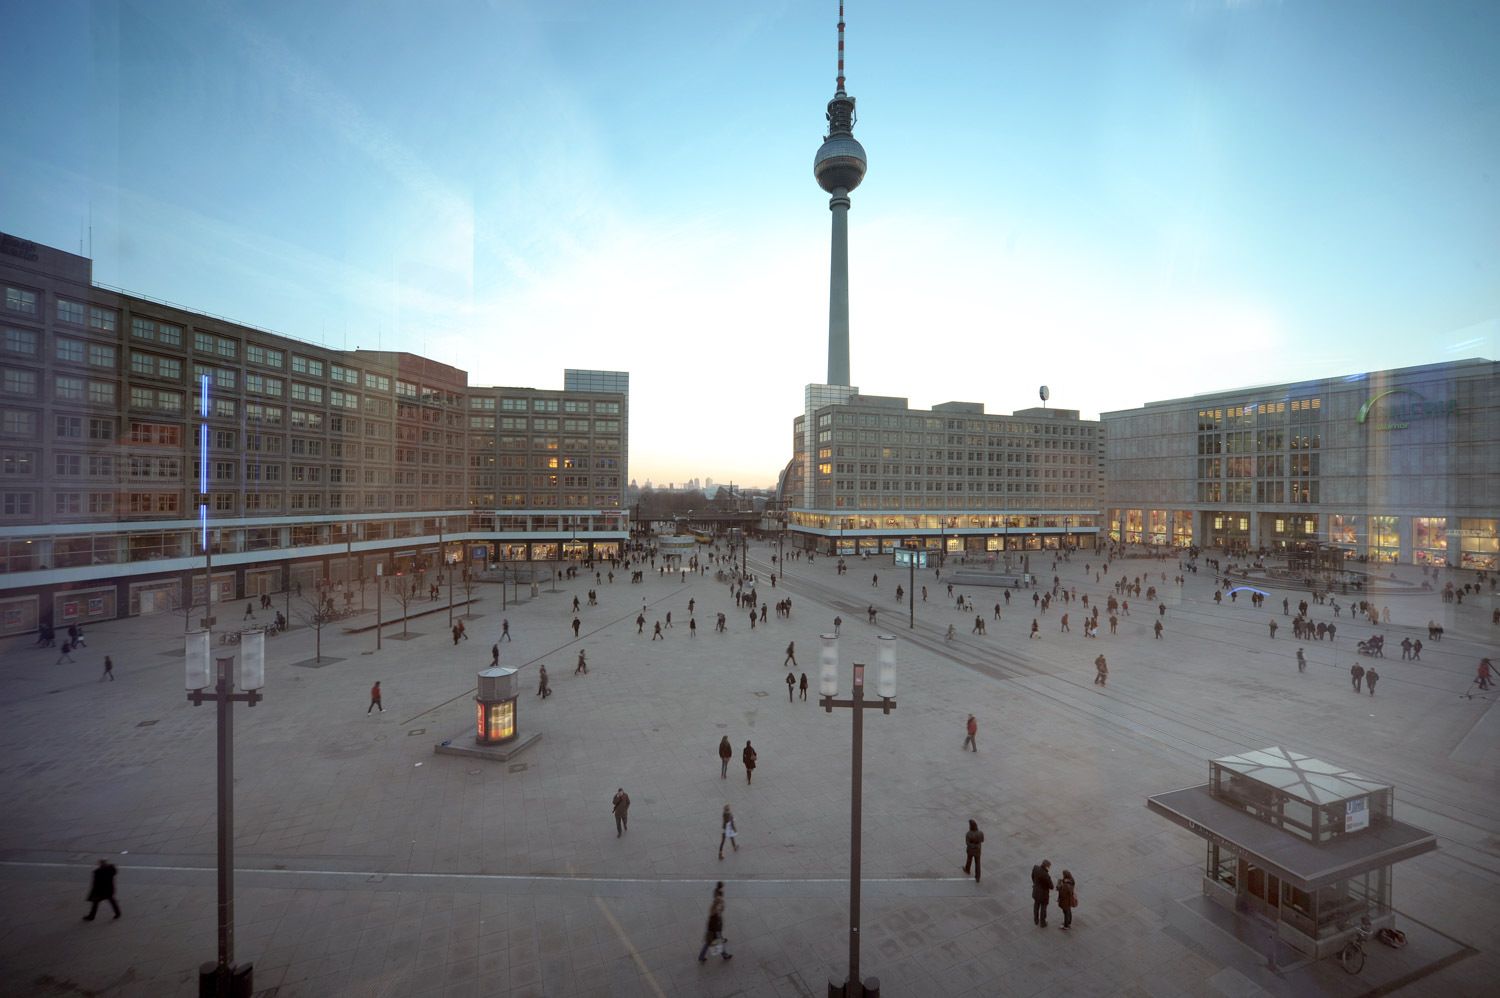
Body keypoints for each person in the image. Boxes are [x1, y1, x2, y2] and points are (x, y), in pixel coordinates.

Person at [698, 885, 733, 961]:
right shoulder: (714, 914)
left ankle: (701, 957)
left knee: (708, 943)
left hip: (715, 930)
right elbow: (713, 924)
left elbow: (721, 909)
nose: (720, 906)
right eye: (719, 905)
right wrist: (716, 933)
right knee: (715, 943)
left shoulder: (715, 911)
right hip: (714, 931)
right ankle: (724, 955)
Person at [1031, 859, 1054, 926]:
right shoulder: (1046, 875)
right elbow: (1051, 886)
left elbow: (1032, 877)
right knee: (1043, 908)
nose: (1049, 868)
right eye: (1049, 866)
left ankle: (1036, 919)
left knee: (1036, 905)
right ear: (1046, 866)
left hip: (1035, 891)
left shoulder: (1035, 868)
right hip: (1043, 894)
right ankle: (1042, 922)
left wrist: (1036, 884)